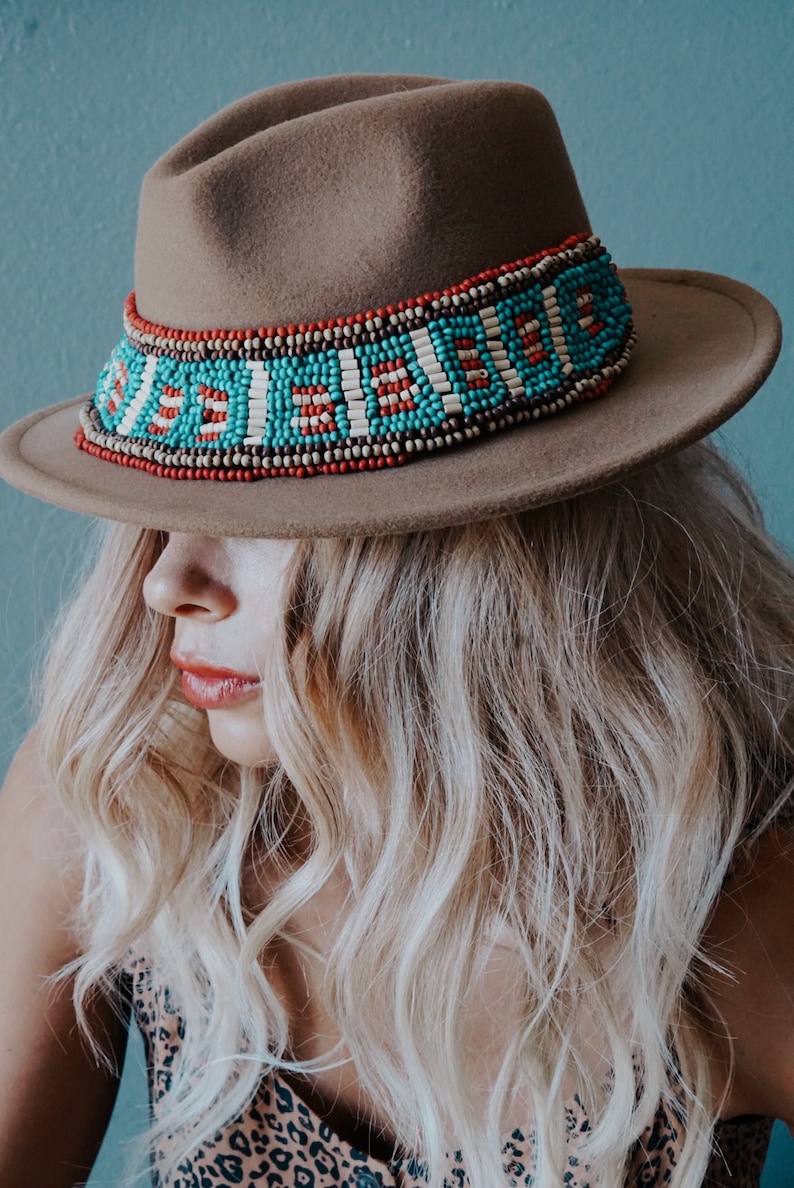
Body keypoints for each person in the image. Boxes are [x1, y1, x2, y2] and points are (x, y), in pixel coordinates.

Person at [0, 74, 791, 1188]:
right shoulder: (125, 807)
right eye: (162, 508)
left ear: (487, 558)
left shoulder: (723, 908)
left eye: (259, 513)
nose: (165, 583)